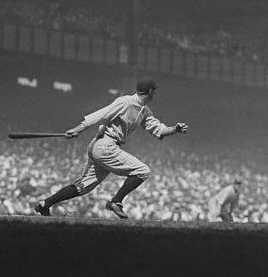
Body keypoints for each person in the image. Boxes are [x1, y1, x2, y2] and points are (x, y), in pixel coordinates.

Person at [34, 77, 188, 219]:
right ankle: (116, 201)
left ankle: (45, 204)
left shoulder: (144, 110)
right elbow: (102, 114)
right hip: (106, 145)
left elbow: (159, 130)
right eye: (154, 91)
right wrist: (78, 128)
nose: (154, 94)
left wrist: (175, 129)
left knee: (83, 187)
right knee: (142, 171)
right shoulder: (126, 102)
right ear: (150, 92)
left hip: (102, 147)